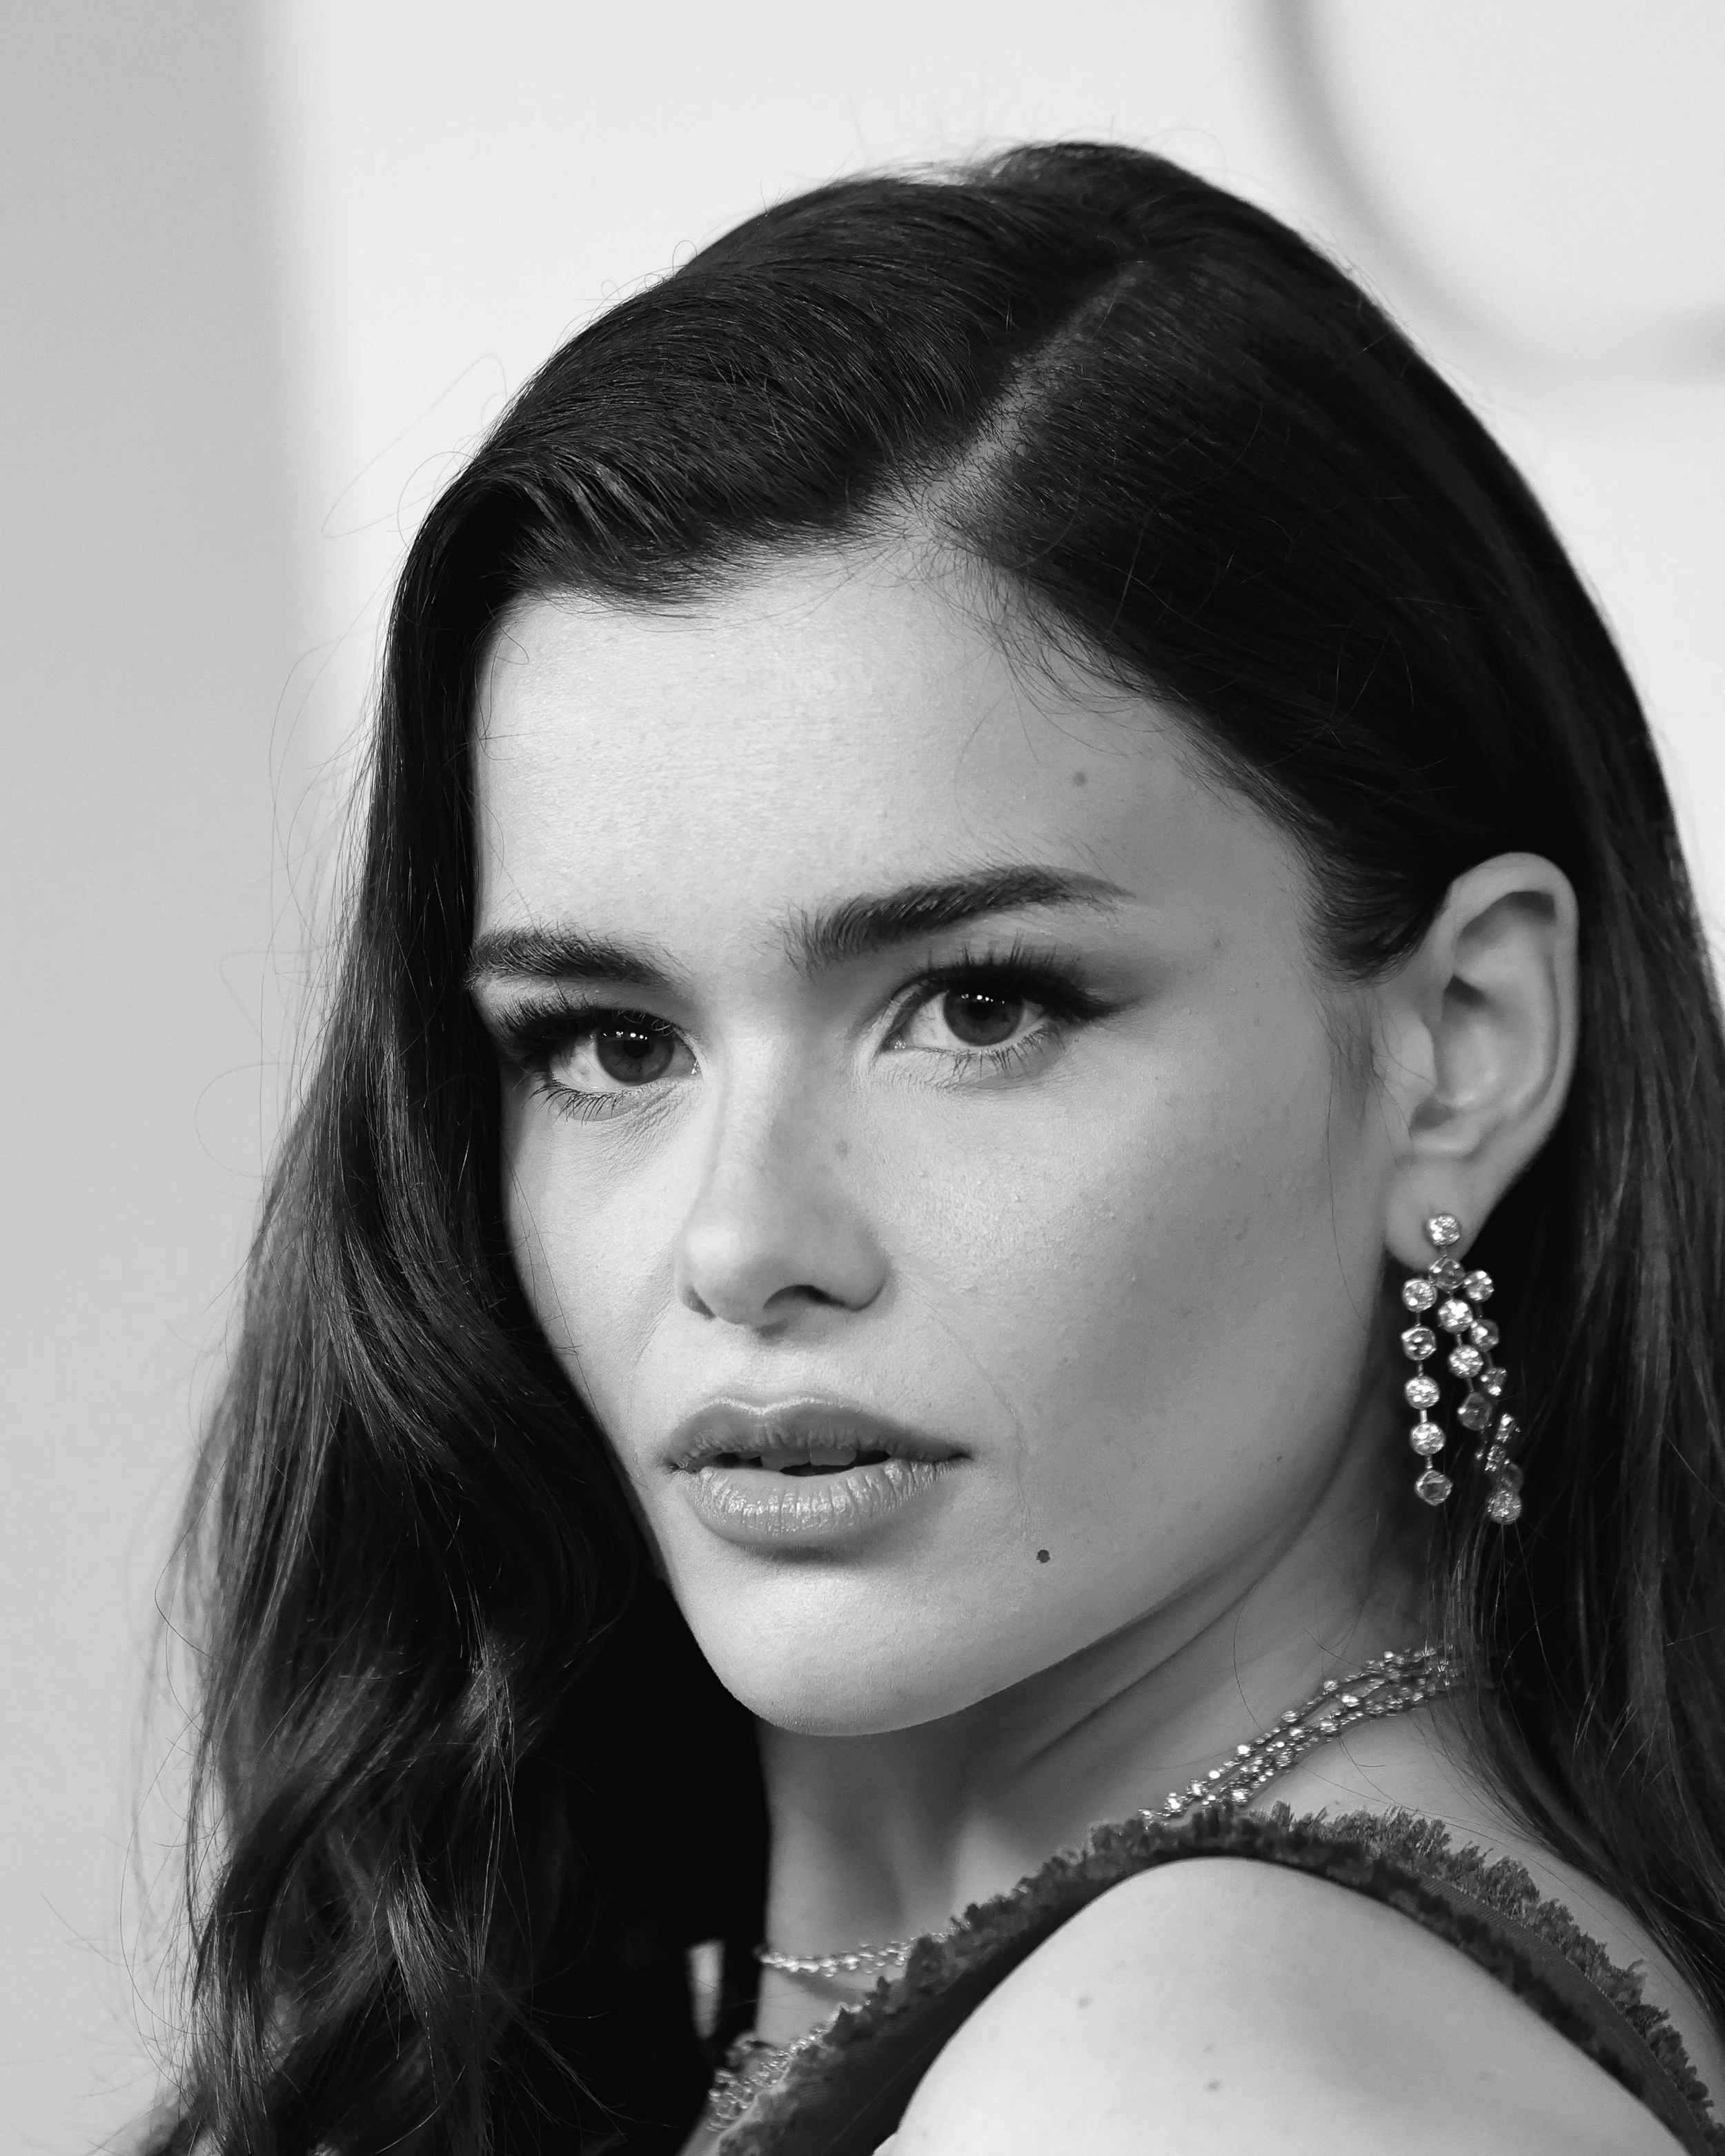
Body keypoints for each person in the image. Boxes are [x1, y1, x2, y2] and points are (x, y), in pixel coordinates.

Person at [156, 144, 1725, 2155]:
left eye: (976, 1007)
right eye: (606, 1041)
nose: (740, 1239)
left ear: (1459, 1049)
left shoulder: (1163, 2094)